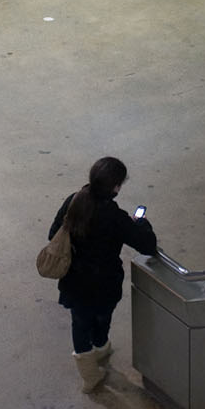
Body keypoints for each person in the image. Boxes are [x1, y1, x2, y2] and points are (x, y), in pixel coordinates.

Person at [47, 156, 156, 393]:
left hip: (74, 282)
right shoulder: (115, 217)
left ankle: (89, 375)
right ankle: (101, 346)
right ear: (116, 187)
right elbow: (148, 245)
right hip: (104, 284)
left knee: (79, 322)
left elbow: (53, 235)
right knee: (102, 317)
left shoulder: (73, 202)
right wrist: (141, 223)